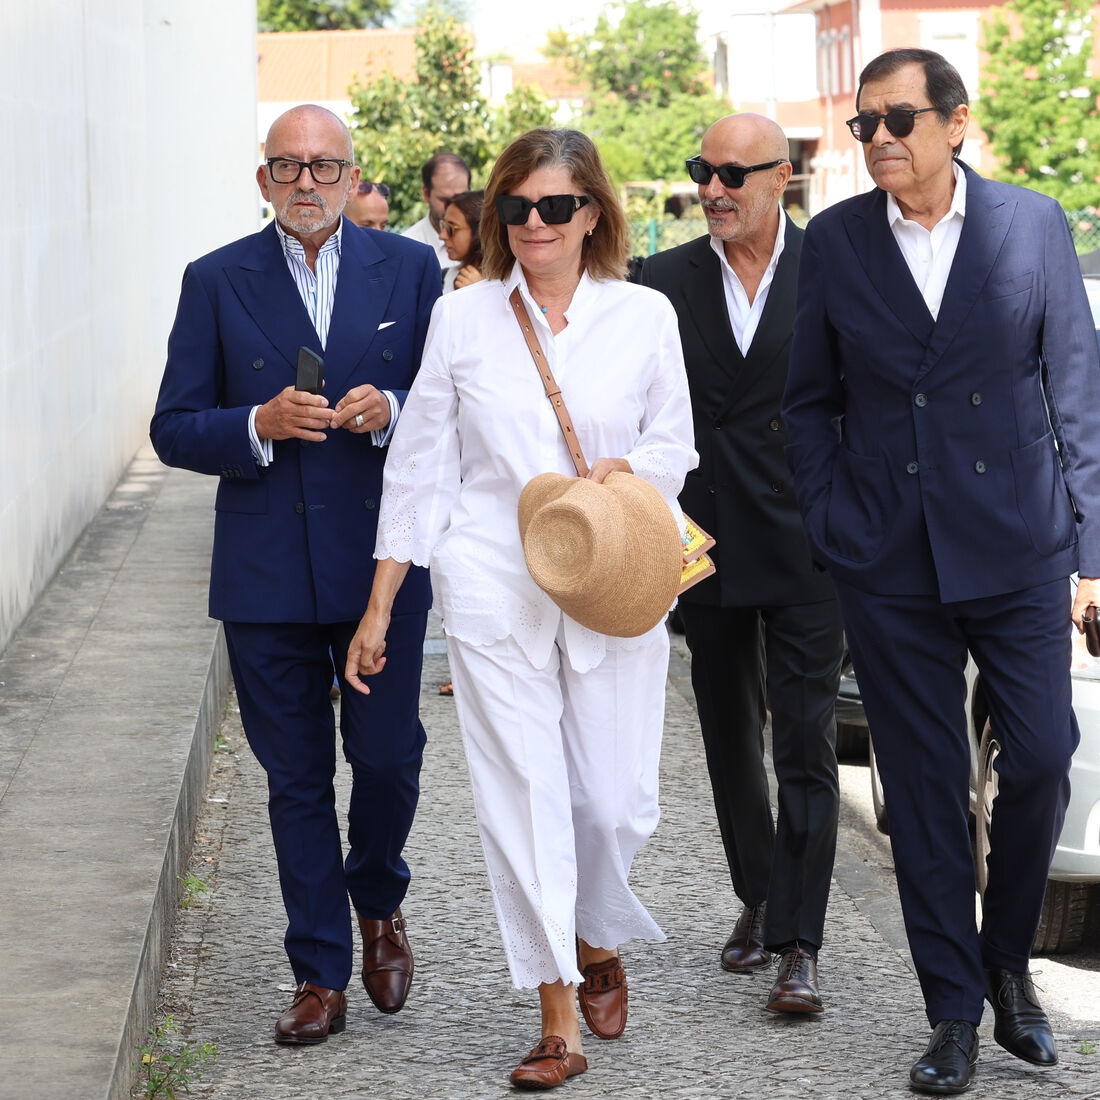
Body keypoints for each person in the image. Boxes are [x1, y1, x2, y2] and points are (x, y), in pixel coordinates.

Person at [345, 127, 696, 1090]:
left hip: (613, 572)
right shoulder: (461, 321)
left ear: (591, 214)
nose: (534, 225)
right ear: (493, 217)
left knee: (615, 802)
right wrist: (381, 607)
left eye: (554, 207)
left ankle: (594, 934)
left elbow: (676, 443)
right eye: (515, 208)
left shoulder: (645, 315)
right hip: (494, 579)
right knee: (523, 798)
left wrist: (636, 471)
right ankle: (555, 1016)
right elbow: (420, 468)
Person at [782, 48, 1100, 1094]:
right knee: (919, 790)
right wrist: (835, 521)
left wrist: (1088, 556)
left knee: (1044, 755)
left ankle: (1006, 958)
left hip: (1016, 544)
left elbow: (1075, 398)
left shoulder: (1030, 224)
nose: (877, 139)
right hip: (887, 557)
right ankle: (951, 1011)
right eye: (862, 124)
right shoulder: (830, 243)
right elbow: (807, 403)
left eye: (899, 119)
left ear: (953, 124)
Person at [150, 104, 441, 1045]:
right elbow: (172, 425)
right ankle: (319, 971)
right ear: (264, 179)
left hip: (379, 567)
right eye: (288, 166)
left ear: (355, 177)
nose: (307, 182)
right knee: (297, 779)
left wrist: (389, 407)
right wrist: (254, 426)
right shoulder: (214, 279)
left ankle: (380, 900)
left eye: (325, 166)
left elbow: (448, 403)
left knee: (390, 757)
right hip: (266, 571)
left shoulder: (412, 267)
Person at [640, 113, 844, 1015]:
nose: (712, 191)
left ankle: (801, 941)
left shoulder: (834, 269)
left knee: (804, 742)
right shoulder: (660, 280)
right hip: (705, 542)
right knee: (727, 731)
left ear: (783, 178)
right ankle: (759, 897)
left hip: (810, 542)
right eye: (701, 173)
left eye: (731, 175)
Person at [402, 151, 471, 291]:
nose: (453, 207)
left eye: (461, 197)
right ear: (426, 194)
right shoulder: (406, 249)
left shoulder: (490, 242)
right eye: (445, 200)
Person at [439, 189, 485, 289]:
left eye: (450, 228)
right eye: (443, 225)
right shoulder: (442, 278)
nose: (442, 235)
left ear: (480, 231)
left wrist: (482, 292)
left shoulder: (509, 282)